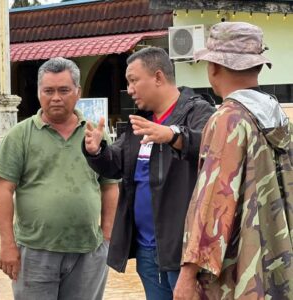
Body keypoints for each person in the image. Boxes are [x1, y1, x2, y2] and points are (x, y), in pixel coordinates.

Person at [83, 47, 215, 299]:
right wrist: (97, 149)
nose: (129, 89)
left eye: (133, 80)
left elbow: (210, 146)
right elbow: (114, 164)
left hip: (185, 253)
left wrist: (173, 136)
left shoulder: (198, 111)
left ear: (158, 77)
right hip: (147, 250)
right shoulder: (139, 122)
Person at [174, 22, 293, 300]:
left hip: (238, 271)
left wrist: (188, 273)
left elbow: (214, 202)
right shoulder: (279, 117)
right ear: (259, 67)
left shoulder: (228, 119)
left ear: (213, 67)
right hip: (277, 259)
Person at [0, 57, 119, 299]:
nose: (56, 97)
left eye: (64, 90)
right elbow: (3, 190)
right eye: (48, 91)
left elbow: (110, 186)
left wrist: (108, 235)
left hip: (89, 250)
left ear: (78, 92)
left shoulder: (95, 135)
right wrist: (8, 244)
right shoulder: (19, 136)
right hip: (35, 251)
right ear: (39, 93)